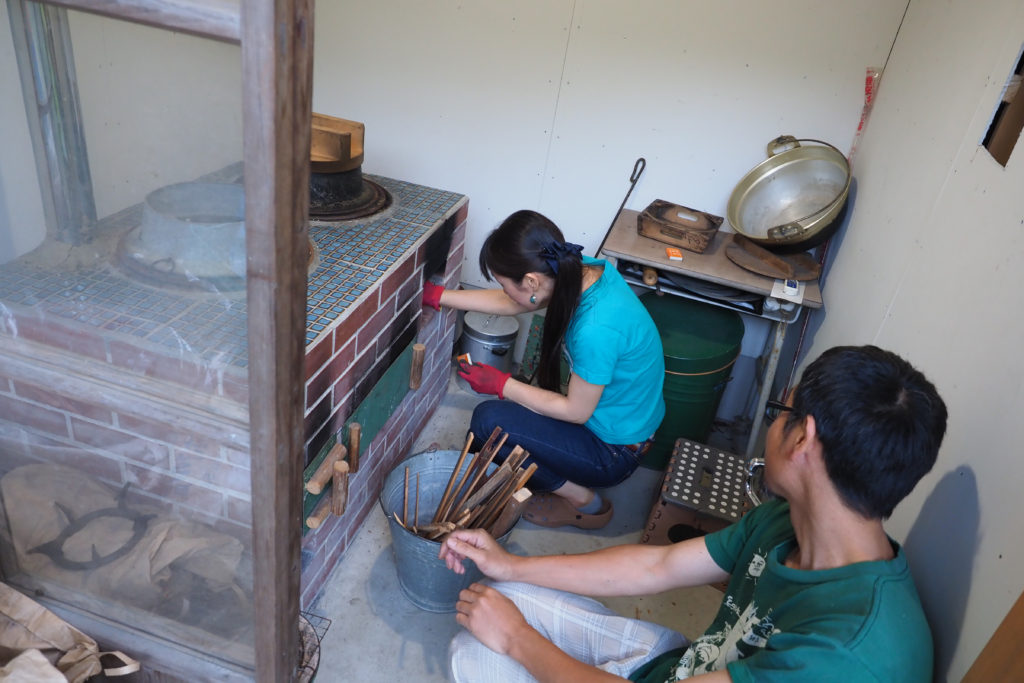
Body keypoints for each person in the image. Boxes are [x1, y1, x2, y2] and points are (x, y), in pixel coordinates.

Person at [438, 345, 948, 682]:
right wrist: (512, 564)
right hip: (685, 665)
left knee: (476, 654)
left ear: (803, 439)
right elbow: (658, 565)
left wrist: (517, 638)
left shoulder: (845, 656)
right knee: (503, 592)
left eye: (780, 413)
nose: (772, 426)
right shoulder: (788, 521)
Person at [422, 209, 665, 529]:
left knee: (488, 422)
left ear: (532, 281)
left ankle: (584, 501)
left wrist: (501, 384)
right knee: (498, 426)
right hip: (619, 420)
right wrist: (440, 296)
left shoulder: (595, 328)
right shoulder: (579, 269)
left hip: (614, 451)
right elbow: (517, 300)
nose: (505, 291)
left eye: (504, 284)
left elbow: (575, 412)